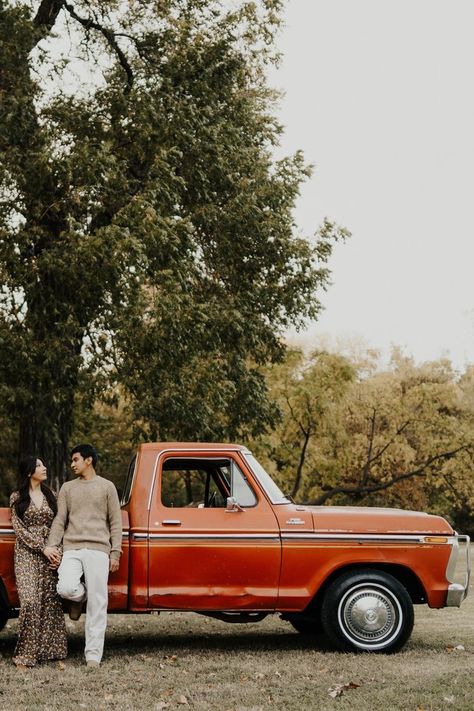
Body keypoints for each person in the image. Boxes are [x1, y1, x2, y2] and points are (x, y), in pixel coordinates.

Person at [43, 443, 122, 668]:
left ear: (89, 460)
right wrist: (52, 545)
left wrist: (115, 552)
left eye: (76, 459)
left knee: (99, 603)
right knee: (66, 587)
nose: (72, 464)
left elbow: (115, 522)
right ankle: (81, 595)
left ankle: (93, 656)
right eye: (72, 460)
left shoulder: (107, 487)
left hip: (99, 549)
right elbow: (60, 520)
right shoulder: (68, 488)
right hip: (72, 547)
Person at [9, 456, 67, 670]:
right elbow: (19, 529)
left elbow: (60, 524)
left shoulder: (52, 494)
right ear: (28, 472)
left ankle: (51, 652)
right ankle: (25, 656)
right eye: (39, 465)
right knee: (31, 601)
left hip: (51, 553)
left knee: (50, 602)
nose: (44, 468)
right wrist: (43, 548)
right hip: (27, 554)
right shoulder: (17, 496)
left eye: (44, 464)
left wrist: (57, 552)